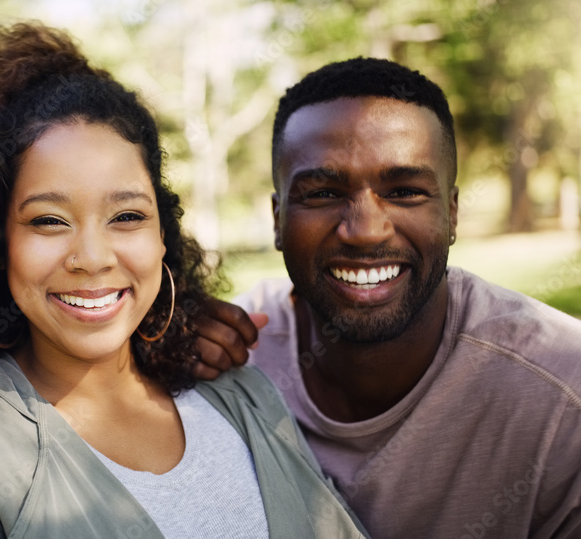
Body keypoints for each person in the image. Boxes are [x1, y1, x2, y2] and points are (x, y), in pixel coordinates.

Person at [0, 24, 367, 538]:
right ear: (2, 246)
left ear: (163, 234)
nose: (92, 258)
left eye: (127, 216)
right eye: (48, 220)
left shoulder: (239, 392)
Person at [225, 57, 581, 538]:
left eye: (406, 191)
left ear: (452, 214)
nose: (365, 231)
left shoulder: (562, 391)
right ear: (277, 219)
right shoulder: (224, 357)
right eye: (324, 193)